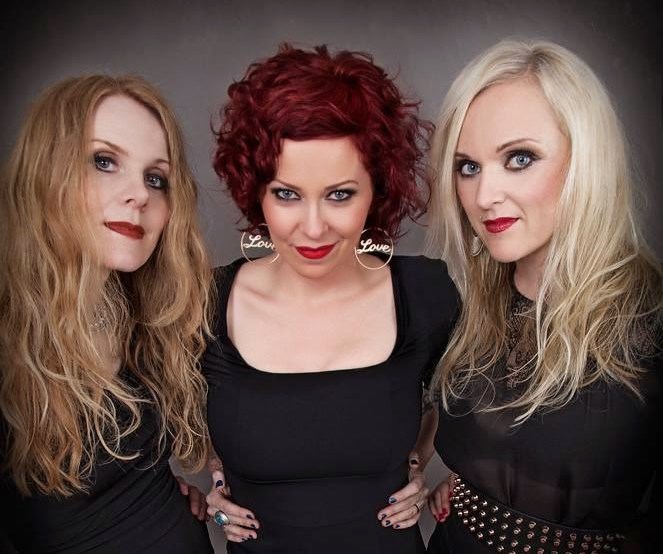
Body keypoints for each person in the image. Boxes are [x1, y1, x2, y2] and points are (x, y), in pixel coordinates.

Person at [202, 44, 458, 553]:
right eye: (287, 194)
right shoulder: (204, 303)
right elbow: (193, 414)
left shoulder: (426, 294)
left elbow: (465, 404)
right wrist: (217, 479)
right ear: (255, 191)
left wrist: (417, 463)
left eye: (340, 194)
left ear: (376, 190)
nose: (314, 227)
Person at [424, 39, 662, 553]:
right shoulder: (471, 309)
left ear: (586, 160)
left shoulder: (651, 320)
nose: (484, 196)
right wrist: (474, 493)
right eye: (468, 167)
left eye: (520, 158)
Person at [0, 75, 215, 553]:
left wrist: (176, 493)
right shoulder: (9, 336)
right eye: (104, 161)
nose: (140, 194)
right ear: (45, 171)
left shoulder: (147, 311)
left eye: (156, 178)